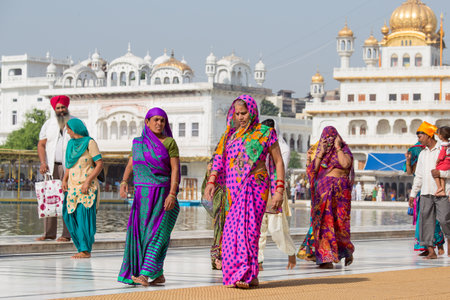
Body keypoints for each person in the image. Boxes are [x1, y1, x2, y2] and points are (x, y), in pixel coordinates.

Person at [203, 95, 285, 289]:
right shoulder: (230, 134)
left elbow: (278, 161)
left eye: (244, 113)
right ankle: (244, 273)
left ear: (253, 111)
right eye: (237, 113)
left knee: (250, 231)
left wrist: (279, 190)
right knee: (231, 232)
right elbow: (219, 159)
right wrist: (212, 181)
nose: (240, 117)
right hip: (233, 188)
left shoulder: (264, 132)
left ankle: (247, 274)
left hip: (256, 184)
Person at [118, 108, 180, 286]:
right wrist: (124, 181)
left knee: (157, 235)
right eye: (156, 120)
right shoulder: (138, 143)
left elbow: (175, 169)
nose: (159, 123)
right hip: (141, 198)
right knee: (142, 235)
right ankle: (158, 274)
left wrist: (172, 194)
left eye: (162, 120)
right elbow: (132, 162)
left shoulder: (169, 143)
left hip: (162, 196)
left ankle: (144, 274)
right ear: (147, 122)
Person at [308, 126, 355, 269]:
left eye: (331, 138)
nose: (328, 141)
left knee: (340, 225)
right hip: (323, 193)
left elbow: (346, 164)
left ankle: (345, 251)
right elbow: (312, 170)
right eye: (325, 138)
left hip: (341, 194)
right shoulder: (319, 153)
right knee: (324, 224)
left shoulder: (345, 150)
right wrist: (320, 153)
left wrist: (338, 147)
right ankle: (326, 257)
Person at [257, 119, 297, 270]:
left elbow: (281, 169)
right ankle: (258, 260)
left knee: (276, 228)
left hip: (275, 190)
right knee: (259, 228)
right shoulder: (259, 146)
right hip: (260, 190)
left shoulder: (283, 148)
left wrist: (278, 192)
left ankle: (291, 253)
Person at [62, 118, 103, 258]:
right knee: (68, 216)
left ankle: (85, 250)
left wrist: (87, 181)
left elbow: (99, 164)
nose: (67, 132)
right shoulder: (70, 144)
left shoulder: (89, 142)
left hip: (87, 186)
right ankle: (80, 247)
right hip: (72, 186)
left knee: (83, 217)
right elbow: (69, 164)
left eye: (69, 129)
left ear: (75, 129)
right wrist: (64, 179)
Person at [409, 121, 450, 259]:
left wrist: (441, 174)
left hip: (442, 192)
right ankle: (431, 250)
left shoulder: (444, 149)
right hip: (426, 192)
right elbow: (418, 176)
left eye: (420, 137)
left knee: (445, 219)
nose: (419, 140)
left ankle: (449, 241)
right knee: (426, 221)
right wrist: (413, 194)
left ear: (428, 135)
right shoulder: (422, 154)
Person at [36, 95, 73, 242]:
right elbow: (41, 145)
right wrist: (43, 162)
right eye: (58, 108)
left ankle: (66, 234)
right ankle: (49, 233)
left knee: (68, 199)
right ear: (54, 109)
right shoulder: (48, 124)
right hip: (52, 166)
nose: (61, 110)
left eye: (63, 107)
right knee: (49, 198)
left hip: (69, 167)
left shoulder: (75, 122)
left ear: (67, 107)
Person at [405, 141, 445, 256]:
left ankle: (440, 244)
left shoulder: (436, 153)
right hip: (422, 192)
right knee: (423, 221)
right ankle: (427, 248)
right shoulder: (420, 156)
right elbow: (410, 172)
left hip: (436, 190)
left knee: (438, 221)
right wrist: (408, 160)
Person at [201, 157, 226, 270]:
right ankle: (218, 258)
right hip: (219, 207)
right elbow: (206, 190)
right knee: (219, 231)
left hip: (232, 204)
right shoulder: (216, 162)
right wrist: (208, 173)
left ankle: (225, 258)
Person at [297, 141, 319, 262]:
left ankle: (313, 251)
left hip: (324, 195)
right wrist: (308, 159)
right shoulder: (317, 151)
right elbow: (310, 173)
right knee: (314, 223)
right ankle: (311, 251)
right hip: (317, 195)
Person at [434, 126, 450, 196]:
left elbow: (442, 153)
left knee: (435, 173)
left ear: (442, 136)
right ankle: (442, 190)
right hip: (447, 162)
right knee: (442, 177)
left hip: (444, 162)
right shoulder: (448, 143)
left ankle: (440, 188)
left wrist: (438, 160)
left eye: (439, 134)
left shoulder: (444, 144)